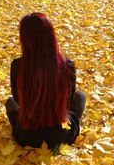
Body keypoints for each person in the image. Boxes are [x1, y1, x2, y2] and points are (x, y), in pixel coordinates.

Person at [5, 12, 86, 149]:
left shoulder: (18, 65)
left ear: (24, 38)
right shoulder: (67, 64)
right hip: (62, 135)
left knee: (10, 101)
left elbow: (19, 100)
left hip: (27, 136)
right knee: (80, 96)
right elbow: (69, 100)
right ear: (51, 35)